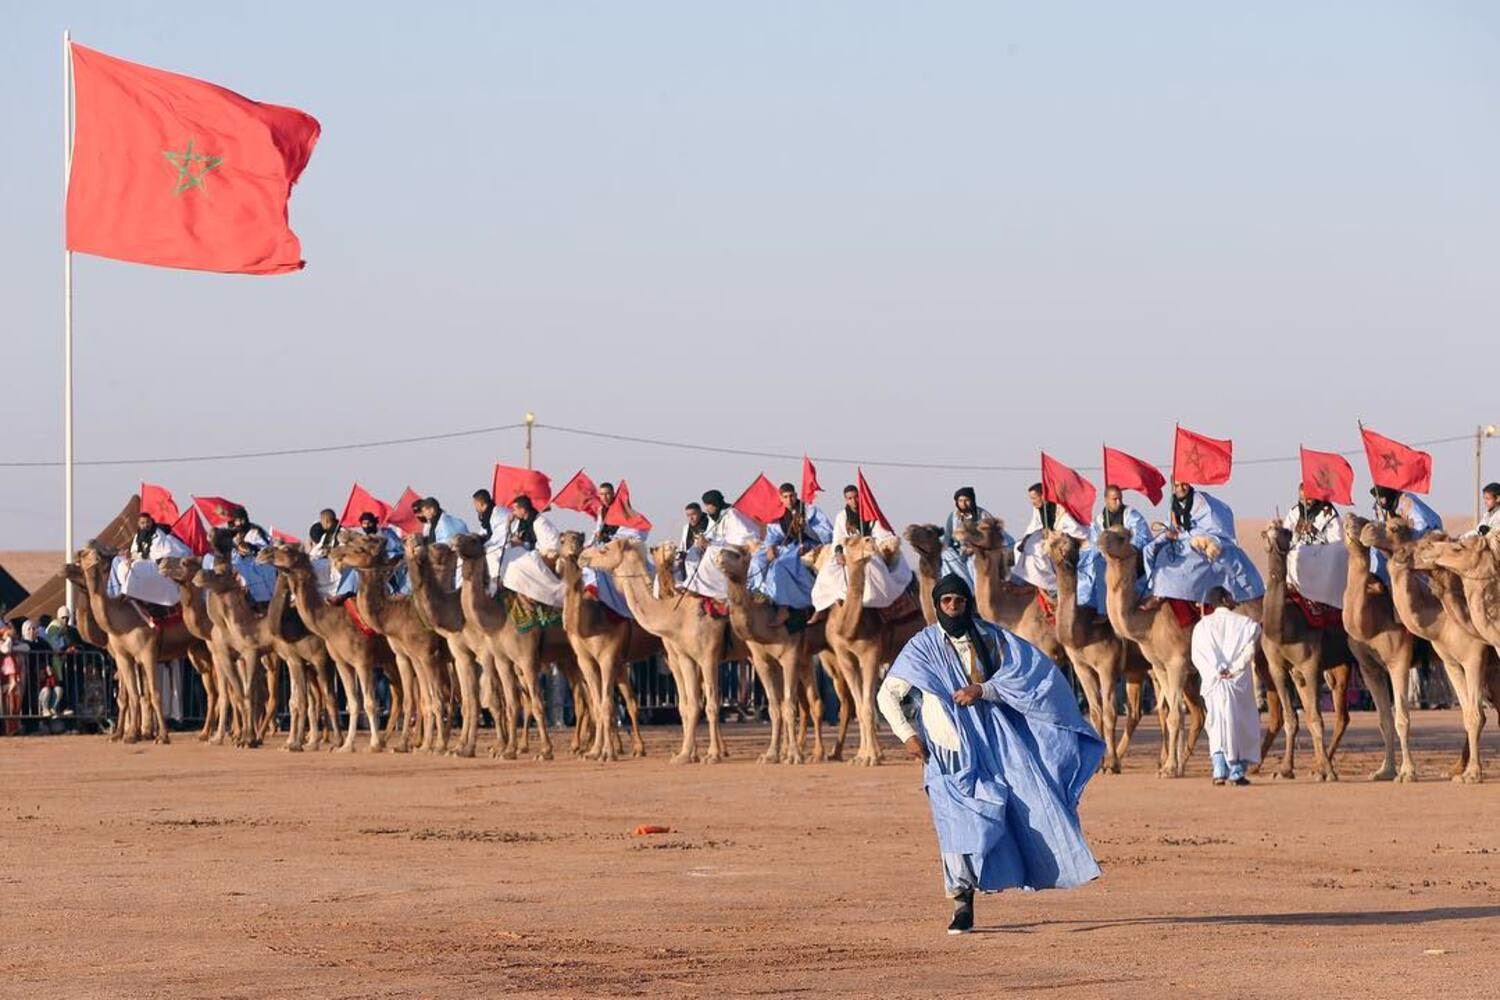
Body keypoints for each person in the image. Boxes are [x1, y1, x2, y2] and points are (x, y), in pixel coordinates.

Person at [876, 574, 1103, 933]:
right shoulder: (921, 647)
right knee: (957, 828)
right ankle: (961, 900)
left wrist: (984, 689)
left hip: (996, 745)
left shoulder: (992, 638)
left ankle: (1045, 866)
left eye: (959, 602)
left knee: (1018, 811)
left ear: (968, 603)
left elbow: (1030, 675)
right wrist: (907, 735)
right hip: (947, 752)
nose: (953, 608)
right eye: (946, 602)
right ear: (937, 606)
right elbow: (887, 694)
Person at [1142, 483, 1264, 603]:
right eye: (1177, 485)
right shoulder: (1174, 506)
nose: (1181, 488)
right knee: (1149, 549)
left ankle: (1164, 593)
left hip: (1202, 543)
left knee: (1174, 567)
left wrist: (1179, 536)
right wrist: (1164, 537)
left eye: (1184, 484)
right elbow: (1170, 528)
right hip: (1179, 543)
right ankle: (1152, 589)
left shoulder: (1202, 503)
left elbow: (1211, 530)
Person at [1190, 587, 1262, 786]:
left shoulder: (1201, 627)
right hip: (1237, 682)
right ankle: (1236, 772)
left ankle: (1219, 770)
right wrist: (1234, 670)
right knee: (1239, 724)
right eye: (1230, 596)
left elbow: (1198, 657)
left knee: (1216, 725)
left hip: (1214, 684)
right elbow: (1249, 651)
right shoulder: (1246, 624)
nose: (1233, 599)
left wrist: (1216, 672)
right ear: (1225, 599)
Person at [810, 484, 914, 612]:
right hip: (850, 551)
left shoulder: (871, 513)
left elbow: (881, 533)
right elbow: (838, 538)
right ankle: (829, 603)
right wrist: (838, 552)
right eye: (850, 498)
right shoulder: (842, 517)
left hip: (869, 551)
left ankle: (881, 602)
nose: (854, 501)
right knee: (829, 570)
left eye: (856, 497)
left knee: (875, 568)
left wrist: (872, 544)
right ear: (846, 500)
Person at [751, 482, 833, 609]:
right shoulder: (778, 514)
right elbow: (773, 534)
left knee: (781, 564)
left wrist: (806, 527)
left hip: (807, 545)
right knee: (757, 559)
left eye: (791, 496)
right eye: (785, 497)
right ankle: (757, 591)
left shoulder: (810, 511)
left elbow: (828, 535)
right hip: (786, 547)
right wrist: (770, 547)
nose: (789, 500)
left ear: (795, 495)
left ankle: (785, 603)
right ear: (781, 498)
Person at [1077, 485, 1152, 614]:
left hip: (1127, 555)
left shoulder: (1131, 515)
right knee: (1095, 565)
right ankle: (1103, 611)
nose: (1118, 502)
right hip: (1107, 558)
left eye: (1120, 499)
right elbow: (1095, 543)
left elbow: (1141, 535)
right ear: (1106, 500)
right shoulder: (1099, 521)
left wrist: (1125, 548)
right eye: (1114, 499)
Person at [679, 490, 762, 601]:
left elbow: (743, 537)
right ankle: (695, 585)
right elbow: (712, 535)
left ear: (715, 504)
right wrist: (704, 541)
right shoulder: (715, 517)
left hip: (738, 550)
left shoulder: (731, 514)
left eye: (708, 505)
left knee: (711, 553)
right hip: (721, 547)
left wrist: (711, 544)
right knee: (693, 552)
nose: (706, 509)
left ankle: (712, 590)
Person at [1013, 483, 1086, 593]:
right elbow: (1034, 526)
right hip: (1045, 537)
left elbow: (1073, 529)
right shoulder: (1038, 509)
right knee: (1019, 546)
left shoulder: (1060, 509)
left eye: (1034, 498)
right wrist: (1026, 538)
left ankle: (1048, 585)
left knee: (1038, 548)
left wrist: (1055, 533)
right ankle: (1026, 580)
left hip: (1061, 539)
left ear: (1043, 496)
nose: (1032, 502)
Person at [1282, 486, 1346, 608]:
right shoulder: (1294, 513)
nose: (1305, 503)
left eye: (1309, 499)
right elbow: (1286, 534)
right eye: (1301, 499)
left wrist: (1315, 532)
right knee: (1291, 554)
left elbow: (1337, 542)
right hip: (1300, 553)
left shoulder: (1328, 514)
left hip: (1320, 555)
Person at [109, 512, 191, 607]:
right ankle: (115, 592)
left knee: (135, 566)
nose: (146, 525)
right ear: (139, 524)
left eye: (148, 522)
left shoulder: (158, 535)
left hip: (153, 565)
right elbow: (135, 552)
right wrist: (129, 556)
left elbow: (162, 554)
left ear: (151, 522)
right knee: (117, 560)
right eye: (142, 523)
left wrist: (140, 559)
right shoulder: (138, 536)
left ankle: (130, 591)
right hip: (139, 562)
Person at [497, 495, 565, 608]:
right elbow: (509, 539)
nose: (513, 512)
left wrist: (523, 544)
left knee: (520, 562)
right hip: (528, 554)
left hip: (544, 557)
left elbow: (551, 546)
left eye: (515, 509)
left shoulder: (540, 522)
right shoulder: (521, 523)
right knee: (509, 555)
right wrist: (509, 525)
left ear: (523, 510)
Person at [1370, 486, 1443, 584]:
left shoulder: (1406, 501)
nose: (1380, 501)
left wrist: (1404, 543)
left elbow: (1422, 525)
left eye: (1382, 498)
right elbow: (1378, 525)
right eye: (1378, 498)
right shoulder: (1379, 508)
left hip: (1425, 535)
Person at [940, 487, 995, 586]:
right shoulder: (953, 517)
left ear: (972, 500)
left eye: (967, 500)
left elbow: (991, 538)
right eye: (960, 501)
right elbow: (947, 540)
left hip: (979, 551)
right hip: (959, 552)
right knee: (945, 556)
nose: (963, 504)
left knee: (973, 561)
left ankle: (973, 590)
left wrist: (974, 548)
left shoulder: (983, 515)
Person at [1, 622, 21, 735]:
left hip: (13, 678)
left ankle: (14, 728)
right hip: (5, 679)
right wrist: (8, 639)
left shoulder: (15, 645)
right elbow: (5, 649)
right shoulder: (3, 644)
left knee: (14, 705)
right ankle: (7, 729)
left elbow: (25, 647)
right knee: (6, 706)